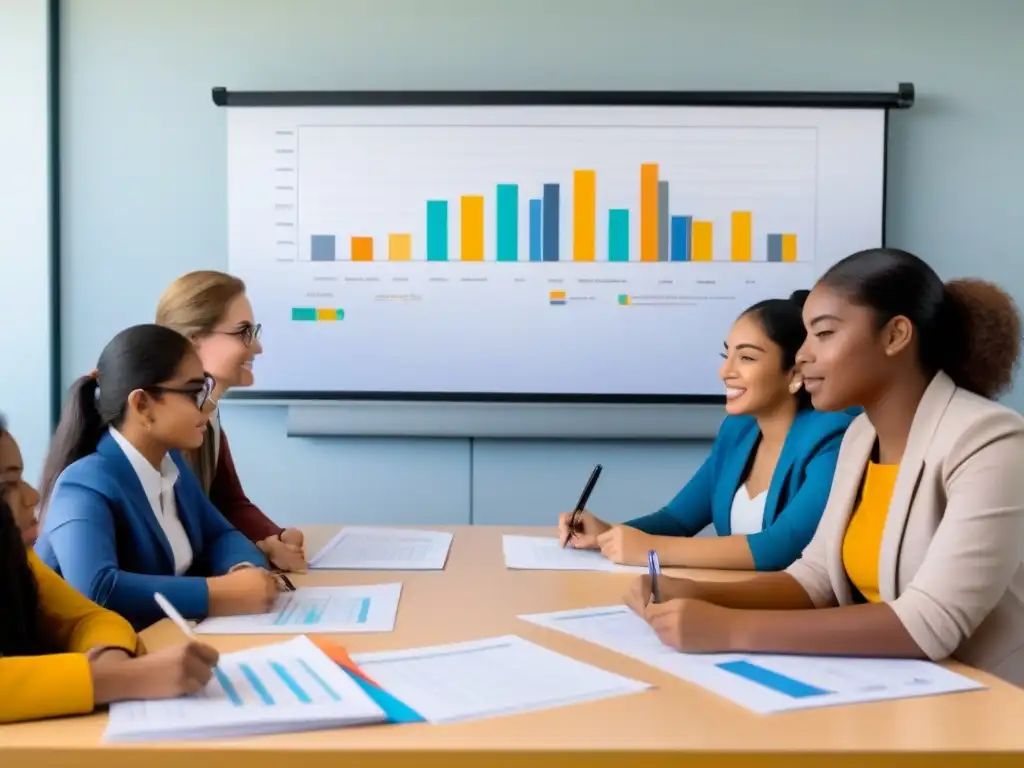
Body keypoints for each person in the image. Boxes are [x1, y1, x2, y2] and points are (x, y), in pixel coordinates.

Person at [626, 248, 1024, 686]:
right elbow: (816, 580)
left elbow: (930, 622)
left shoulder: (991, 442)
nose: (801, 356)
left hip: (989, 703)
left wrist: (730, 628)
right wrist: (701, 594)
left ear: (895, 336)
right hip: (896, 691)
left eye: (824, 334)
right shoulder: (860, 437)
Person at [559, 291, 856, 571]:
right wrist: (607, 534)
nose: (725, 371)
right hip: (734, 599)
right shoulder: (739, 430)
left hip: (793, 613)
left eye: (747, 358)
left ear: (795, 374)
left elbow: (779, 547)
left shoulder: (832, 438)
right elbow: (676, 519)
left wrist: (651, 549)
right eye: (726, 355)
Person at [34, 323, 282, 630]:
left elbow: (221, 534)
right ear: (142, 406)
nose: (207, 404)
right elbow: (96, 589)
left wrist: (243, 570)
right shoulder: (83, 484)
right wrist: (220, 594)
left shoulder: (170, 462)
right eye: (194, 391)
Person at [0, 417, 221, 724]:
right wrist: (117, 679)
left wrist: (111, 659)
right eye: (5, 487)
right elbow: (102, 588)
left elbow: (90, 618)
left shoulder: (16, 558)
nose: (32, 497)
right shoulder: (89, 477)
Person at [155, 270, 306, 572]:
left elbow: (228, 503)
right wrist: (247, 558)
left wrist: (272, 538)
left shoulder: (208, 417)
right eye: (243, 333)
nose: (257, 347)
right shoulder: (155, 429)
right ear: (193, 340)